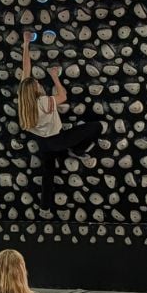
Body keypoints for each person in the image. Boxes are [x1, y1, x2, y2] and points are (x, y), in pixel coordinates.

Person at [18, 32, 103, 210]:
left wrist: (26, 44)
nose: (38, 83)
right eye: (37, 84)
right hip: (57, 140)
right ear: (35, 90)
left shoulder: (23, 99)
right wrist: (55, 76)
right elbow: (63, 96)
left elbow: (26, 68)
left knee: (47, 173)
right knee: (96, 127)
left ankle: (45, 206)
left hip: (43, 143)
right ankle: (78, 150)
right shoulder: (43, 101)